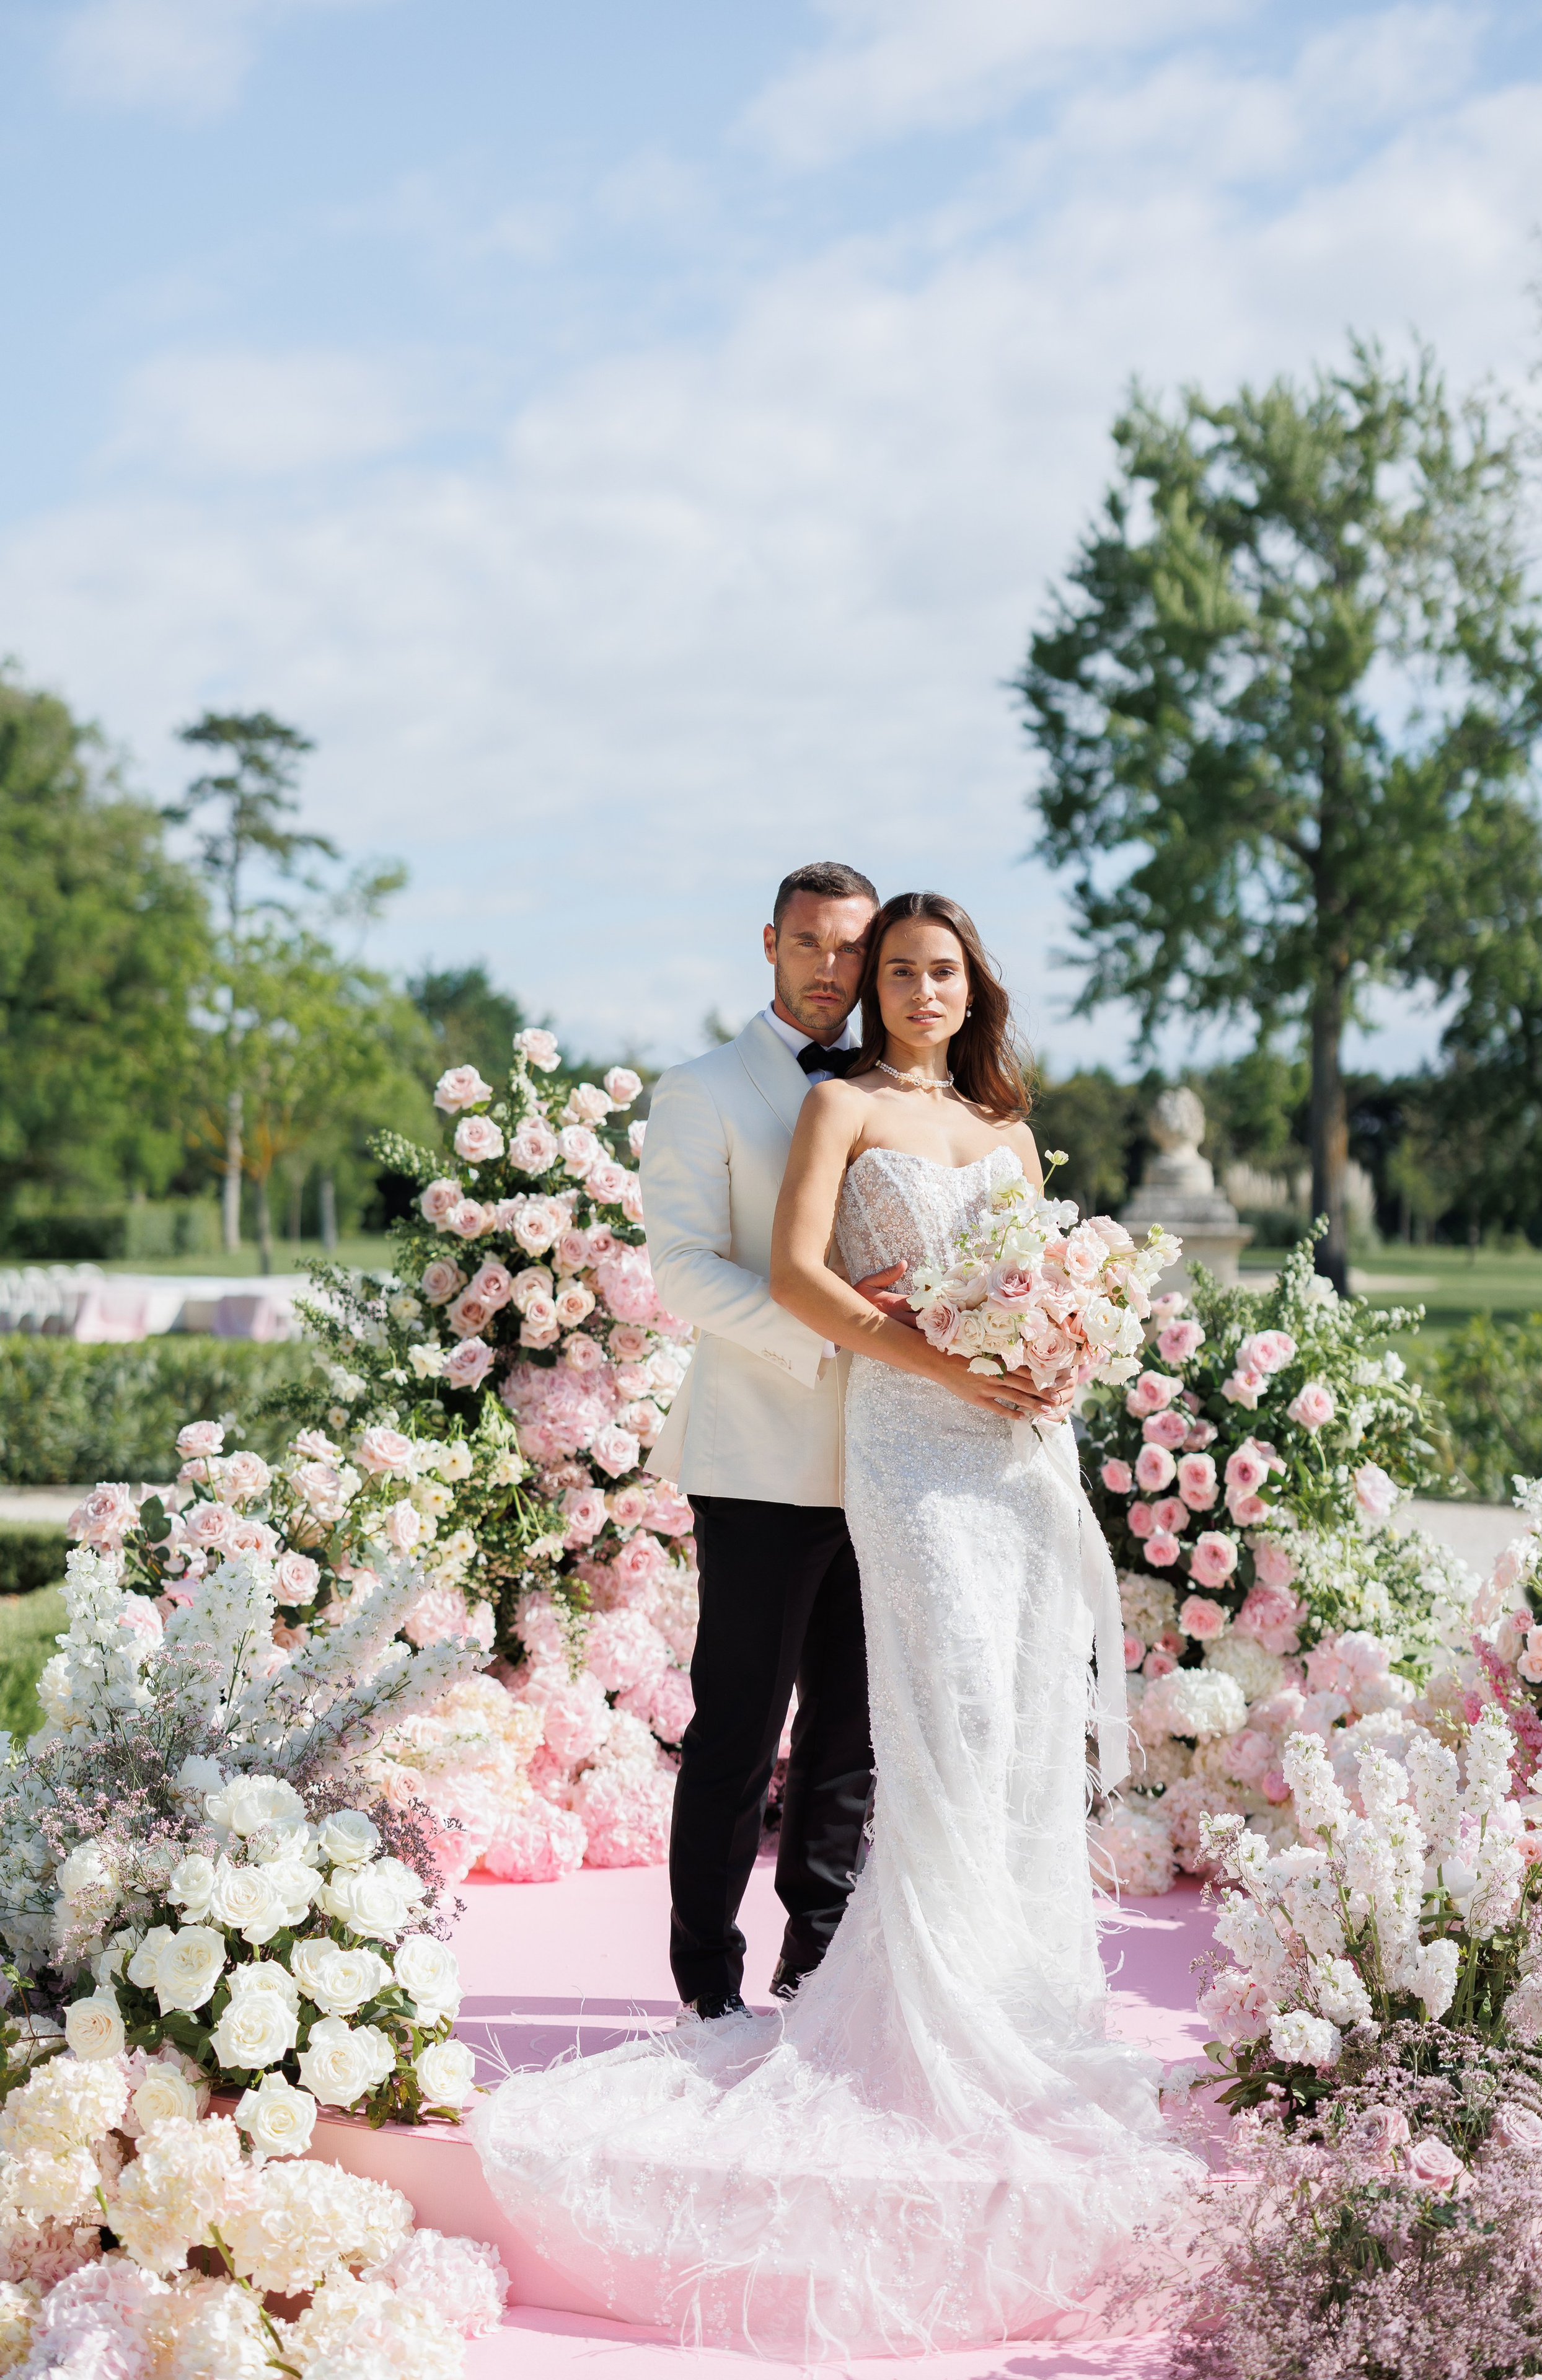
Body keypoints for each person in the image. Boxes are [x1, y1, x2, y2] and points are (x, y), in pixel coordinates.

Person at [472, 889, 1194, 2358]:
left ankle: (942, 1984)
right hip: (855, 1442)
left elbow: (1036, 1273)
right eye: (888, 966)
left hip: (1000, 1446)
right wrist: (933, 1354)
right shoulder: (797, 1100)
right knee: (828, 1716)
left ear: (969, 987)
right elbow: (762, 1275)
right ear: (837, 971)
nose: (907, 986)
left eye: (935, 969)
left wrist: (1053, 1348)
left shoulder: (1004, 1128)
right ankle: (761, 1993)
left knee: (964, 1724)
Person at [639, 860, 884, 2017]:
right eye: (809, 942)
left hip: (887, 1453)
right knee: (739, 1730)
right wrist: (835, 1330)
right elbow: (683, 1269)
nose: (831, 967)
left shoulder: (898, 1088)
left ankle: (817, 1968)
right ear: (771, 944)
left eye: (852, 946)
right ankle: (707, 1983)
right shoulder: (701, 1090)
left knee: (851, 1735)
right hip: (754, 1457)